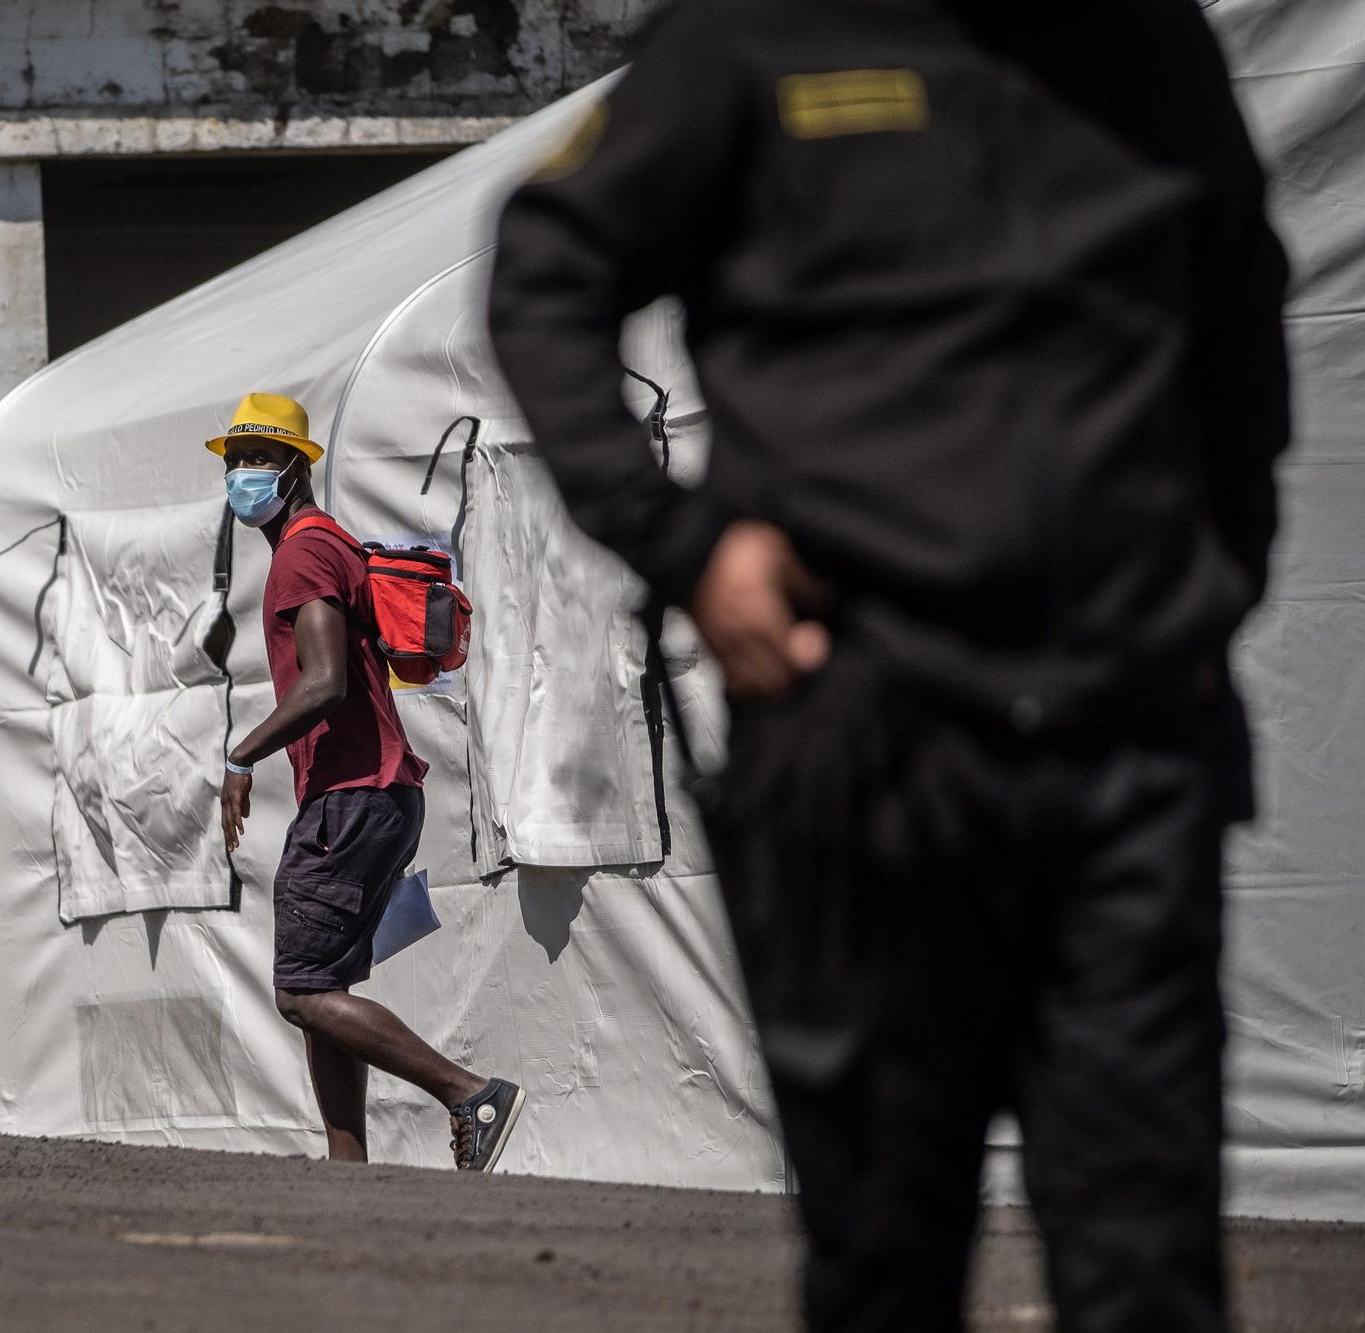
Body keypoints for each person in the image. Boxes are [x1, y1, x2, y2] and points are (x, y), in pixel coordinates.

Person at [487, 2, 1289, 1330]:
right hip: (865, 728)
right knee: (885, 1255)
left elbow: (1241, 309)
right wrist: (687, 548)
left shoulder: (1146, 45)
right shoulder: (757, 34)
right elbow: (547, 266)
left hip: (1126, 740)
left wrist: (1219, 578)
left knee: (1147, 1256)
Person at [211, 391, 526, 1172]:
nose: (243, 474)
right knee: (325, 992)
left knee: (300, 992)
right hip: (375, 794)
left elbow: (325, 684)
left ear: (295, 467)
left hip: (353, 797)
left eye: (258, 457)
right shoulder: (326, 544)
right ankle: (347, 1171)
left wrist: (239, 756)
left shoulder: (303, 553)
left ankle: (470, 1093)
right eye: (234, 459)